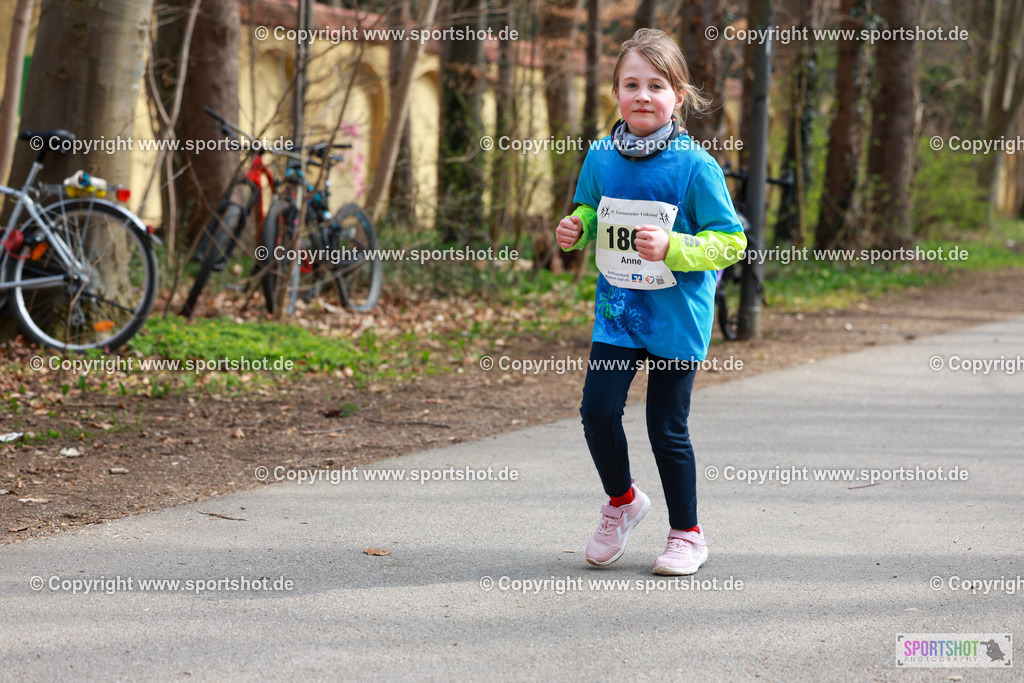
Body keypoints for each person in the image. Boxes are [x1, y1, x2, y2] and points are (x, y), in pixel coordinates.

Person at [555, 28, 746, 575]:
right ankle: (622, 503)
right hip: (618, 313)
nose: (643, 94)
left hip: (675, 317)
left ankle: (687, 534)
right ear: (615, 92)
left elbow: (731, 240)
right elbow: (590, 208)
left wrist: (676, 247)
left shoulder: (695, 166)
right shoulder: (600, 155)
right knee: (596, 412)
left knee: (666, 427)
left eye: (656, 85)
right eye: (631, 83)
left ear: (677, 97)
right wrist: (578, 227)